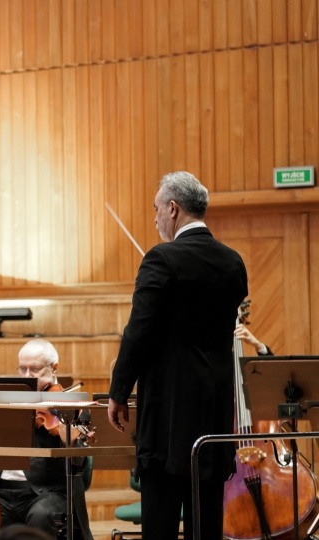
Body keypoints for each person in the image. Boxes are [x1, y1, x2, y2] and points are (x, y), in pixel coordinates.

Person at [107, 171, 248, 540]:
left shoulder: (162, 259)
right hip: (214, 416)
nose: (154, 219)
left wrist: (118, 391)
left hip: (168, 417)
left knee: (161, 526)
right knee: (207, 528)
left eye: (156, 209)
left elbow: (138, 331)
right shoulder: (233, 262)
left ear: (173, 208)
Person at [0, 339, 92, 540]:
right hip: (1, 492)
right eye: (22, 369)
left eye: (35, 369)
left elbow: (78, 463)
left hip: (47, 492)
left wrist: (70, 439)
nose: (27, 376)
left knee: (41, 514)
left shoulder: (71, 406)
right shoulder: (7, 403)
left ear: (54, 368)